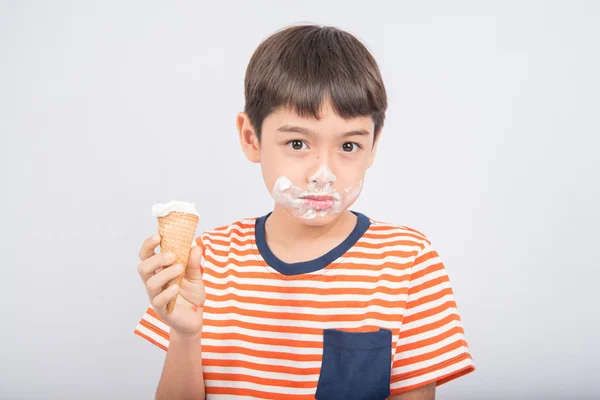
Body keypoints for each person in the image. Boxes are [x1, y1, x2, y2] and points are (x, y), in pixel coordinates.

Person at [134, 24, 475, 400]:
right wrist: (186, 334)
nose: (322, 175)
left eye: (348, 145)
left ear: (373, 146)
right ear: (252, 138)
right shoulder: (207, 261)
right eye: (297, 143)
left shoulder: (408, 262)